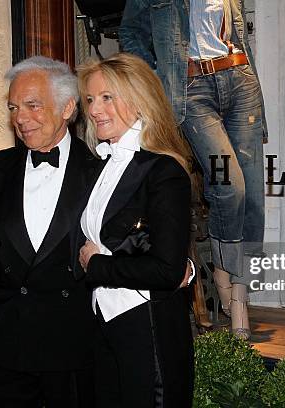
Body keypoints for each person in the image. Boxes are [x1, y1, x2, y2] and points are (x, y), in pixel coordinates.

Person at [119, 0, 268, 339]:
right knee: (230, 187)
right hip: (192, 91)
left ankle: (241, 293)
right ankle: (222, 271)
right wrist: (158, 79)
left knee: (254, 197)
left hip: (240, 79)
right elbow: (130, 32)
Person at [0, 55, 98, 407]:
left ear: (68, 107)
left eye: (32, 105)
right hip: (4, 349)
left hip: (76, 351)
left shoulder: (102, 171)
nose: (20, 118)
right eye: (13, 107)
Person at [73, 53, 194, 408]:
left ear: (139, 99)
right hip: (103, 322)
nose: (95, 109)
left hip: (147, 324)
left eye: (107, 97)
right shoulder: (101, 166)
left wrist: (97, 267)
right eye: (91, 100)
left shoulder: (163, 171)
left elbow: (166, 270)